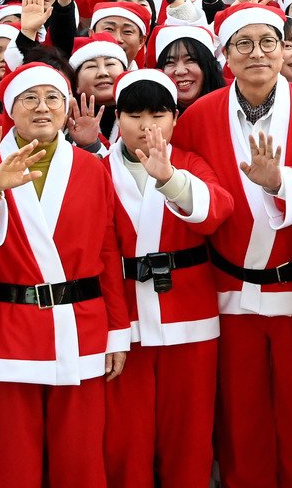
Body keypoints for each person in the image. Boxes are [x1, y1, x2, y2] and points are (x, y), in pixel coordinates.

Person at [169, 3, 292, 488]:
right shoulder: (199, 115)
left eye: (269, 42)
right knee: (240, 417)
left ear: (286, 48)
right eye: (243, 44)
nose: (258, 54)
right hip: (228, 290)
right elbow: (192, 193)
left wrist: (281, 182)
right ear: (226, 55)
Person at [0, 62, 131, 488]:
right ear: (10, 108)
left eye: (52, 99)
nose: (42, 108)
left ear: (66, 108)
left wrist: (118, 331)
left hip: (81, 327)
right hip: (8, 331)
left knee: (80, 459)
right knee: (12, 461)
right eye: (30, 98)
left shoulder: (91, 168)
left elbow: (106, 250)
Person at [102, 69, 231, 488]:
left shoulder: (190, 162)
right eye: (134, 114)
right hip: (126, 323)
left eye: (158, 113)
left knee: (190, 436)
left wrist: (169, 179)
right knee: (126, 437)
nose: (146, 125)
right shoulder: (96, 169)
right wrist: (112, 329)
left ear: (175, 117)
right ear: (116, 117)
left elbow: (216, 212)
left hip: (190, 316)